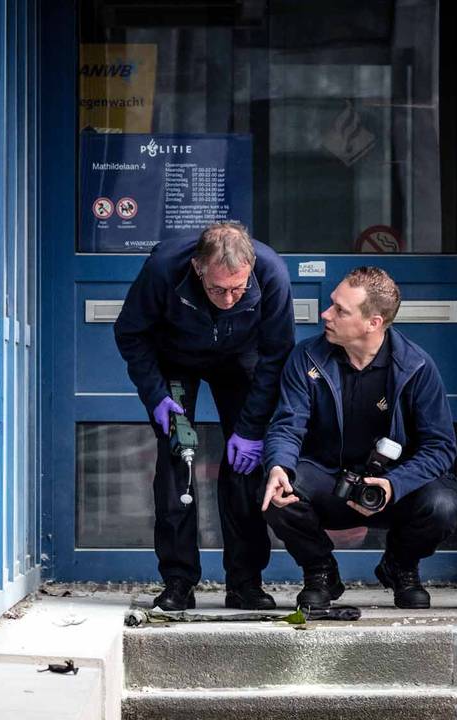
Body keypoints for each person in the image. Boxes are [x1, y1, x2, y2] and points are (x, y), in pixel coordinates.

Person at [115, 221, 295, 611]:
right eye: (217, 289)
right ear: (198, 268)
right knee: (177, 461)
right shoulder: (164, 268)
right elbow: (130, 333)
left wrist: (250, 429)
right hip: (175, 358)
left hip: (240, 359)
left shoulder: (272, 273)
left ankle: (245, 582)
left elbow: (277, 352)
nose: (229, 299)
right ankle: (179, 581)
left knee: (244, 469)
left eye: (238, 289)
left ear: (250, 269)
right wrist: (156, 394)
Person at [261, 267, 457, 609]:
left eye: (340, 310)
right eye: (331, 305)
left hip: (391, 489)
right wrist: (278, 465)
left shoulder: (416, 367)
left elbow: (441, 447)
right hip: (327, 480)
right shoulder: (307, 358)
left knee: (444, 504)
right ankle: (320, 572)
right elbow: (287, 425)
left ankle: (401, 566)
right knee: (278, 490)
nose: (326, 314)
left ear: (374, 323)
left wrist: (395, 484)